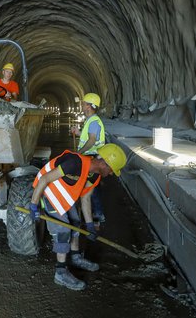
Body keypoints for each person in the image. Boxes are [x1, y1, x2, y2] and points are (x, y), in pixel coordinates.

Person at [29, 143, 127, 291]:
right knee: (63, 230)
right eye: (112, 169)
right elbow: (44, 180)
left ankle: (75, 257)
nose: (112, 173)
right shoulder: (75, 163)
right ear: (103, 163)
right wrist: (33, 205)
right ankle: (60, 272)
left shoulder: (94, 176)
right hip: (47, 191)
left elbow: (85, 199)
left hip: (63, 195)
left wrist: (89, 225)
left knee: (75, 222)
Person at [70, 93, 106, 222]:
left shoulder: (94, 121)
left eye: (84, 104)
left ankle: (98, 213)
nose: (82, 106)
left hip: (93, 158)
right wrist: (78, 132)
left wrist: (79, 152)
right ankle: (95, 212)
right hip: (90, 157)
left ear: (89, 106)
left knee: (92, 187)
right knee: (91, 186)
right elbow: (87, 136)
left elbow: (91, 141)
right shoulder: (90, 120)